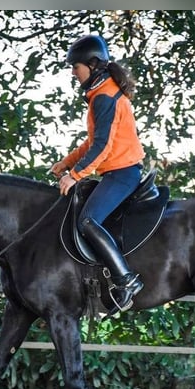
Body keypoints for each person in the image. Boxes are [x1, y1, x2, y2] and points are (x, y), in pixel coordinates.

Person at [50, 34, 145, 312]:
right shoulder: (102, 93)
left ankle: (125, 279)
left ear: (91, 66)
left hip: (123, 173)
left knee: (88, 221)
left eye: (75, 66)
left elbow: (102, 147)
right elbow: (93, 142)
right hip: (117, 170)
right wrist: (67, 162)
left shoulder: (104, 97)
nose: (72, 72)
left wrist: (75, 175)